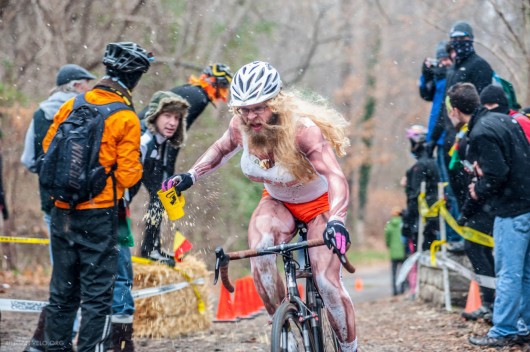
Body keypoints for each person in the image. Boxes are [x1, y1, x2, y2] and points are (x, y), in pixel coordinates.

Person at [162, 61, 358, 351]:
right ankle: (286, 334)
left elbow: (335, 177)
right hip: (278, 202)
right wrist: (190, 176)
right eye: (243, 108)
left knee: (326, 283)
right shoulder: (240, 125)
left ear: (275, 103)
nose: (250, 116)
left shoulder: (303, 131)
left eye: (258, 108)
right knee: (262, 253)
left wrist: (337, 220)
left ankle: (349, 347)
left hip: (320, 205)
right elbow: (220, 150)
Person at [42, 41, 151, 351]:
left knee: (62, 293)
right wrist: (104, 180)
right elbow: (130, 175)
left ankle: (54, 348)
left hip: (62, 211)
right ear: (134, 78)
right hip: (98, 215)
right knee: (97, 296)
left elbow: (49, 150)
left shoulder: (72, 104)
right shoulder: (125, 117)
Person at [20, 64, 95, 352]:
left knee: (61, 270)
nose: (90, 89)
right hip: (87, 203)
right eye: (87, 84)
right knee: (88, 269)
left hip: (52, 203)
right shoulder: (86, 110)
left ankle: (59, 336)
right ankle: (79, 333)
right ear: (77, 86)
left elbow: (28, 160)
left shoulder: (40, 113)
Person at [451, 84, 530, 347]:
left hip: (511, 210)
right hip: (526, 203)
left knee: (508, 273)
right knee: (526, 273)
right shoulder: (505, 120)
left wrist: (477, 190)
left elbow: (497, 173)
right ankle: (526, 326)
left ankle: (503, 330)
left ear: (455, 110)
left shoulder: (482, 132)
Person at [136, 63, 233, 264]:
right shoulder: (199, 97)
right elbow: (176, 136)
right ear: (215, 84)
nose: (224, 93)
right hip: (142, 139)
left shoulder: (194, 92)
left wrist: (166, 170)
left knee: (158, 195)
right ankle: (148, 250)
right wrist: (169, 171)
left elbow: (173, 136)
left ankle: (150, 248)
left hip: (151, 139)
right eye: (223, 87)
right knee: (159, 195)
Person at [428, 21, 493, 244]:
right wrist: (432, 139)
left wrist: (472, 133)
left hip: (470, 139)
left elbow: (484, 104)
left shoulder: (480, 66)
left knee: (471, 190)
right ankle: (462, 237)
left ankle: (475, 237)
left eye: (462, 40)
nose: (458, 45)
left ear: (470, 40)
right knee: (454, 192)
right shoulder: (453, 68)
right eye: (454, 41)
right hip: (448, 141)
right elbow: (444, 108)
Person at [444, 83, 496, 322]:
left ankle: (492, 304)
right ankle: (493, 303)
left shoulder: (475, 134)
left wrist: (464, 214)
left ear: (454, 110)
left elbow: (481, 180)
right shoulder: (471, 130)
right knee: (479, 249)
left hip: (487, 206)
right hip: (483, 204)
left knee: (476, 248)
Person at [419, 41, 460, 243]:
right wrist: (426, 73)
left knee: (451, 189)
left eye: (446, 59)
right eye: (440, 60)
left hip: (449, 137)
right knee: (443, 190)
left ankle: (455, 234)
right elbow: (425, 92)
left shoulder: (453, 75)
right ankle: (449, 233)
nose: (443, 63)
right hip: (437, 137)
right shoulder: (439, 76)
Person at [401, 125, 440, 252]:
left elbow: (414, 197)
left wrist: (408, 223)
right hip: (435, 220)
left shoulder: (420, 166)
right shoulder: (435, 162)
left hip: (423, 223)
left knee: (423, 254)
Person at [384, 206, 406, 296]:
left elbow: (387, 239)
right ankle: (402, 289)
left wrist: (389, 245)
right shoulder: (403, 223)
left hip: (393, 252)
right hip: (402, 251)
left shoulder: (389, 225)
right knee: (403, 271)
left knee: (394, 273)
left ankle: (394, 291)